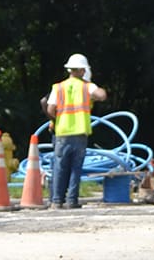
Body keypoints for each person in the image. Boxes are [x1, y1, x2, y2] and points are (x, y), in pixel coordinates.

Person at [41, 53, 108, 208]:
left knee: (59, 167)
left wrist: (58, 121)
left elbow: (50, 109)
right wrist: (93, 88)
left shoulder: (58, 87)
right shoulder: (86, 86)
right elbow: (102, 95)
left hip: (62, 133)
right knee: (75, 168)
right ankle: (72, 201)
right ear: (83, 70)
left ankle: (56, 201)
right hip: (80, 133)